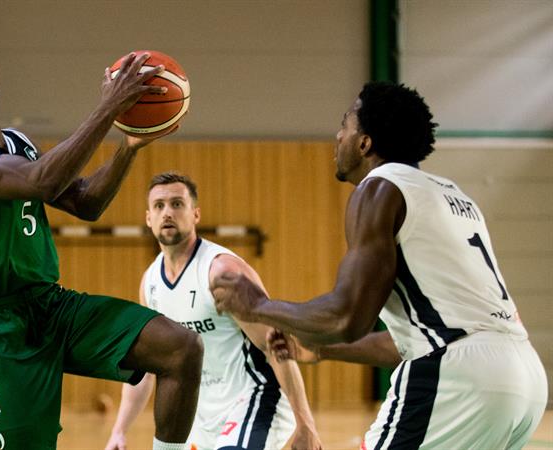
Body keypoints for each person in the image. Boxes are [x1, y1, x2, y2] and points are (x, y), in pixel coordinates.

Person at [212, 81, 547, 449]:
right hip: (524, 380)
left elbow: (347, 317)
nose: (338, 136)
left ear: (365, 142)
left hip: (459, 377)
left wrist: (258, 306)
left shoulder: (378, 188)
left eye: (345, 125)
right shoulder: (453, 195)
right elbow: (413, 338)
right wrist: (323, 349)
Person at [0, 42, 203, 450]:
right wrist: (108, 108)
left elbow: (86, 202)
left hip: (53, 305)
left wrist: (128, 146)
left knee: (181, 348)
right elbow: (41, 181)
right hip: (1, 326)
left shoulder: (19, 143)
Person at [105, 172, 322, 450]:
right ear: (149, 218)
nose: (167, 212)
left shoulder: (222, 271)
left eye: (177, 204)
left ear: (195, 214)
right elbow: (146, 370)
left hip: (255, 397)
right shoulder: (150, 284)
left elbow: (275, 345)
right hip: (199, 412)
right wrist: (119, 431)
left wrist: (306, 423)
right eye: (159, 206)